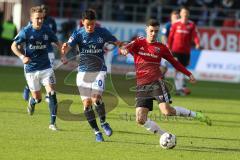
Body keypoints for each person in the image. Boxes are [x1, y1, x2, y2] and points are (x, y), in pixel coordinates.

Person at [119, 19, 211, 142]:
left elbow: (174, 63)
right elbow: (124, 48)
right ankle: (165, 136)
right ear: (146, 29)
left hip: (156, 82)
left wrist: (189, 74)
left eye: (156, 31)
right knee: (140, 119)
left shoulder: (161, 47)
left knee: (167, 112)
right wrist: (124, 50)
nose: (153, 34)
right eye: (151, 31)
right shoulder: (138, 42)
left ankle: (196, 115)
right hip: (142, 85)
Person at [61, 9, 122, 142]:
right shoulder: (78, 33)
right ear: (82, 22)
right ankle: (96, 132)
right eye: (87, 24)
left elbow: (115, 41)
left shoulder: (102, 32)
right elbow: (68, 46)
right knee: (87, 104)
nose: (90, 27)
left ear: (96, 23)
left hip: (99, 70)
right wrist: (64, 52)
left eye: (93, 24)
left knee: (96, 98)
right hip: (83, 72)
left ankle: (104, 122)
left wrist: (121, 47)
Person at [11, 6, 61, 131]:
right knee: (38, 98)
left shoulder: (47, 30)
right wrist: (22, 57)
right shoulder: (26, 31)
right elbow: (13, 46)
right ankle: (32, 102)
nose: (40, 21)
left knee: (52, 93)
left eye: (42, 18)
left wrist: (62, 49)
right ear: (31, 19)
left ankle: (52, 123)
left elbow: (57, 42)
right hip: (31, 69)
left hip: (46, 67)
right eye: (37, 18)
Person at [23, 4, 58, 102]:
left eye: (45, 11)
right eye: (43, 10)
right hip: (35, 53)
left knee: (49, 70)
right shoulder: (33, 22)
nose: (44, 13)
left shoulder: (51, 21)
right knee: (35, 75)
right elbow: (26, 34)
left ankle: (49, 93)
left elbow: (53, 34)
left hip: (48, 50)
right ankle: (28, 87)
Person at [168, 7, 200, 96]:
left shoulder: (191, 25)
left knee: (183, 69)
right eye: (183, 12)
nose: (185, 14)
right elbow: (171, 37)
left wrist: (197, 43)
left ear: (188, 14)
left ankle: (181, 87)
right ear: (181, 14)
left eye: (186, 13)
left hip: (186, 51)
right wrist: (169, 47)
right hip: (175, 50)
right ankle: (179, 88)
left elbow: (195, 35)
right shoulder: (175, 24)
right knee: (177, 69)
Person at [160, 10, 179, 77]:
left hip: (177, 49)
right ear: (171, 17)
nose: (176, 18)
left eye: (177, 17)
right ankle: (159, 79)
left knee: (178, 65)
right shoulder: (168, 25)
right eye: (174, 17)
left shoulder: (180, 26)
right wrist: (167, 46)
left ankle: (178, 83)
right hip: (168, 49)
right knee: (164, 66)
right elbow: (163, 36)